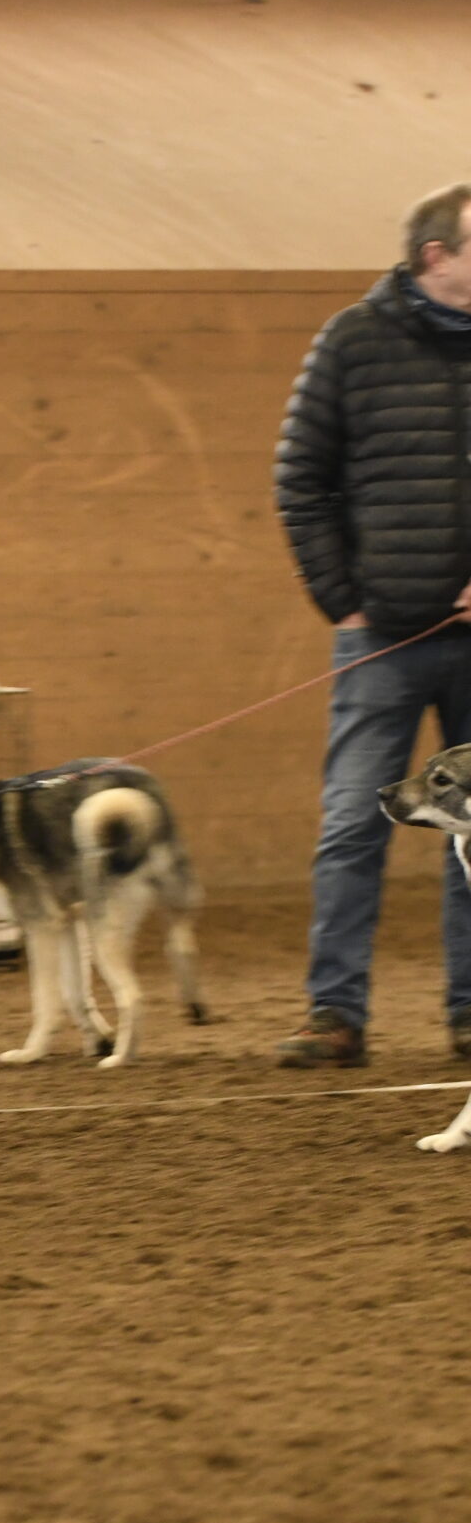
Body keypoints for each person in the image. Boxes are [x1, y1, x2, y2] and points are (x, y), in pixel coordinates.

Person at [274, 181, 471, 1068]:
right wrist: (343, 600)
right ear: (437, 256)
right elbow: (300, 479)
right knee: (355, 822)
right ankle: (335, 1012)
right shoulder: (352, 340)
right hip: (382, 638)